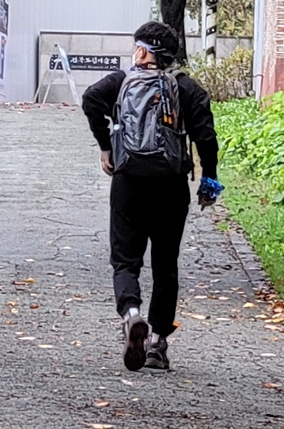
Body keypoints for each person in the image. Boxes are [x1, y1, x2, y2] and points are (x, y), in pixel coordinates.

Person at [81, 20, 222, 372]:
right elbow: (206, 137)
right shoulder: (187, 87)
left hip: (129, 181)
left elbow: (90, 100)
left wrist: (106, 147)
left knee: (125, 259)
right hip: (172, 186)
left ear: (143, 51)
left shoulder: (121, 81)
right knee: (165, 263)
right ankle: (158, 343)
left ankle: (131, 314)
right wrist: (210, 180)